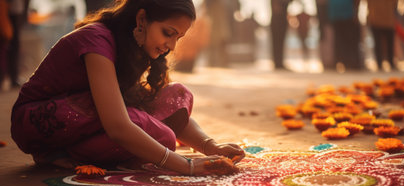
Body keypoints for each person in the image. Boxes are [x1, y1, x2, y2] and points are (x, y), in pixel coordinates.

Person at [10, 0, 245, 176]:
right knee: (157, 134)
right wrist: (186, 165)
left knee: (177, 95)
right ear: (142, 19)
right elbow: (118, 125)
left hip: (88, 118)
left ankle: (75, 151)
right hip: (36, 120)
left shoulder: (134, 46)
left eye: (178, 38)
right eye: (168, 33)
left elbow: (161, 109)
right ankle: (59, 153)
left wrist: (210, 146)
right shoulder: (96, 40)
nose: (172, 46)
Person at [367, 0, 398, 71]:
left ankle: (380, 63)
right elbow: (395, 3)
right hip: (386, 19)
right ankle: (389, 62)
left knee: (379, 44)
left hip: (376, 18)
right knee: (388, 43)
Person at [270, 0, 292, 70]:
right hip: (278, 16)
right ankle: (278, 63)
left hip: (282, 14)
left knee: (280, 40)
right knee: (277, 40)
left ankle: (279, 62)